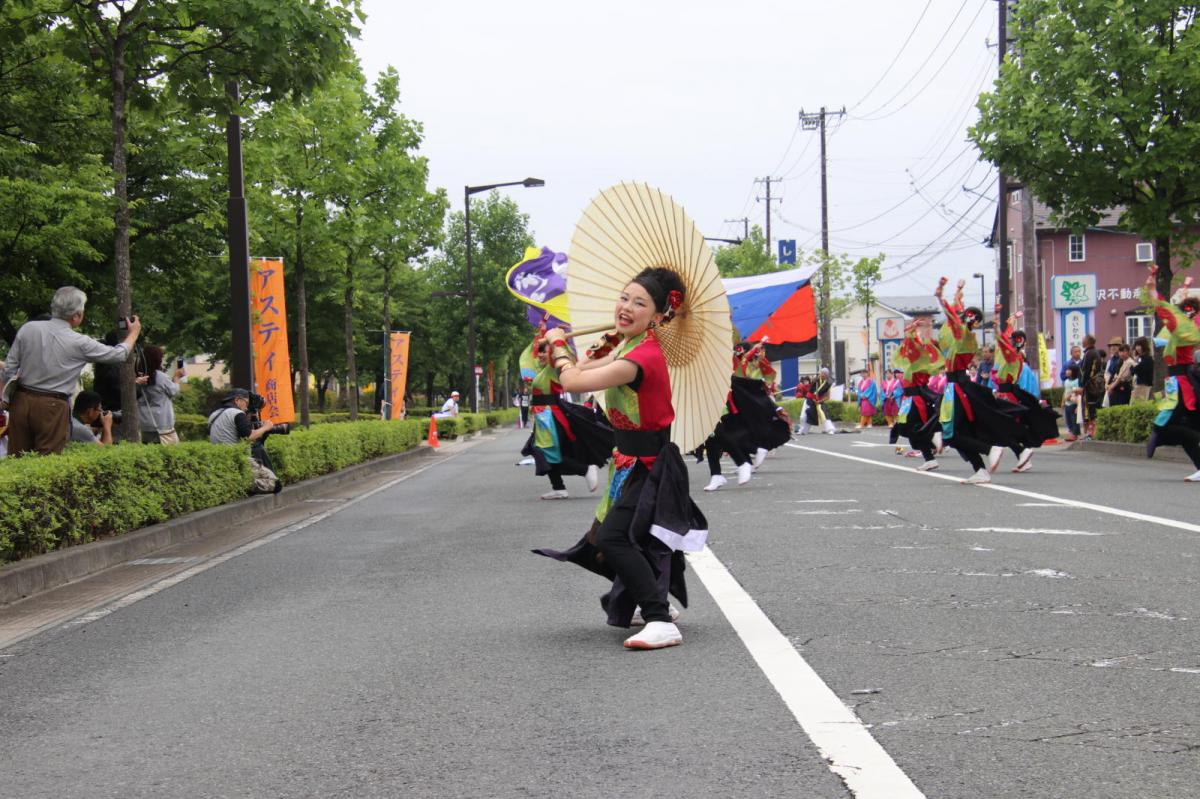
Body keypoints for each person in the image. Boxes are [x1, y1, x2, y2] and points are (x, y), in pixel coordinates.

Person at [534, 267, 705, 650]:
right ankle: (652, 603)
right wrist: (561, 350)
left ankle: (661, 620)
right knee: (617, 537)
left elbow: (574, 382)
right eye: (624, 298)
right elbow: (582, 371)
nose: (626, 307)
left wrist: (560, 348)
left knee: (613, 539)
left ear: (659, 316)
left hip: (649, 465)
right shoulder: (626, 347)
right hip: (628, 461)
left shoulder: (641, 356)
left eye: (639, 303)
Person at [0, 286, 141, 456]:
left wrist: (5, 397)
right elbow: (119, 354)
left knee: (17, 457)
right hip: (53, 405)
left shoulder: (28, 329)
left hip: (21, 400)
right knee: (47, 459)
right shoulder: (80, 342)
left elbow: (9, 369)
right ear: (76, 315)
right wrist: (133, 333)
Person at [934, 278, 1030, 484]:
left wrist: (941, 293)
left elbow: (952, 313)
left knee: (951, 434)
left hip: (956, 387)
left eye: (966, 316)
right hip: (958, 386)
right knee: (961, 431)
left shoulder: (962, 335)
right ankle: (980, 469)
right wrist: (957, 292)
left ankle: (991, 449)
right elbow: (956, 311)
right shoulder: (968, 336)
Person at [518, 335, 610, 500]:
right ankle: (558, 487)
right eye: (538, 351)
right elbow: (528, 359)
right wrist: (542, 331)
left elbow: (564, 357)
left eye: (543, 351)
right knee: (542, 451)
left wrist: (556, 340)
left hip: (549, 416)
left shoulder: (553, 368)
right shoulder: (542, 369)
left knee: (545, 452)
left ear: (553, 352)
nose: (539, 355)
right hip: (542, 416)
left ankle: (585, 469)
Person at [1143, 269, 1200, 480]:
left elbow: (1167, 312)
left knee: (1164, 425)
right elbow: (1169, 311)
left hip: (1184, 383)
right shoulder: (1185, 326)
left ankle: (1158, 437)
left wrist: (1153, 291)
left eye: (1187, 309)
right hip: (1177, 381)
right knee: (1183, 428)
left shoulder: (1188, 328)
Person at [891, 317, 944, 471]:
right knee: (909, 428)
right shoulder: (917, 360)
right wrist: (915, 330)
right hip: (910, 398)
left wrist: (915, 331)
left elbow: (912, 344)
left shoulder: (919, 361)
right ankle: (930, 452)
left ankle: (934, 440)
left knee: (911, 428)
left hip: (915, 398)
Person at [208, 388, 279, 492]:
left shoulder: (213, 415)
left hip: (218, 459)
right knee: (276, 485)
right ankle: (248, 486)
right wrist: (266, 427)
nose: (246, 408)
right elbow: (249, 436)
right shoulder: (236, 413)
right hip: (237, 460)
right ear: (237, 400)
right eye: (246, 403)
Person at [136, 346, 183, 444]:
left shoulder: (137, 377)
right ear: (157, 360)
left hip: (145, 423)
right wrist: (177, 378)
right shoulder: (161, 377)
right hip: (163, 424)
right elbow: (174, 391)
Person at [1079, 335, 1106, 439]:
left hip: (1089, 386)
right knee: (1092, 408)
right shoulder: (1094, 352)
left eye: (1083, 340)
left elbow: (1086, 372)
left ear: (1087, 342)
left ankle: (1091, 433)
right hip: (1094, 385)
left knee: (1089, 409)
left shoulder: (1089, 353)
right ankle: (1090, 432)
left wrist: (1082, 385)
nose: (1082, 341)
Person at [798, 367, 837, 435]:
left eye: (824, 374)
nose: (822, 375)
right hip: (809, 399)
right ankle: (803, 430)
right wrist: (815, 378)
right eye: (821, 373)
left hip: (819, 401)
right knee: (804, 415)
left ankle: (830, 429)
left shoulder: (828, 383)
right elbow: (811, 382)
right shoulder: (815, 380)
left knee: (824, 414)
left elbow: (827, 397)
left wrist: (820, 401)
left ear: (827, 375)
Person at [1061, 365, 1082, 441]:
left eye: (1069, 370)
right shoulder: (1066, 381)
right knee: (1068, 419)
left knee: (1074, 420)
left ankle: (1075, 434)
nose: (1067, 371)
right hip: (1067, 404)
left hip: (1074, 403)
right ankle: (1071, 433)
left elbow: (1078, 392)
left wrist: (1078, 406)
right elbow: (1065, 391)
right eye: (1067, 370)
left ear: (1074, 371)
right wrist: (1063, 401)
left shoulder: (1077, 381)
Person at [1132, 337, 1154, 402]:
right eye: (1136, 346)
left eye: (1139, 346)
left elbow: (1135, 370)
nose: (1137, 348)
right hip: (1138, 385)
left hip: (1144, 386)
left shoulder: (1147, 359)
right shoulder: (1140, 358)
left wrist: (1135, 363)